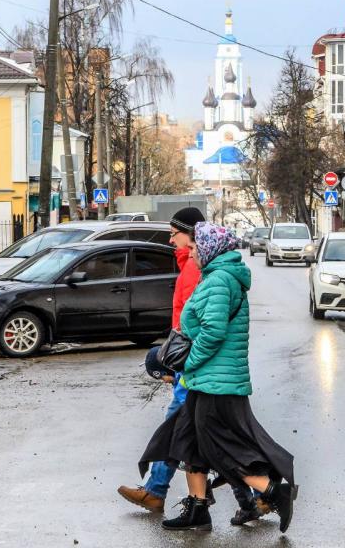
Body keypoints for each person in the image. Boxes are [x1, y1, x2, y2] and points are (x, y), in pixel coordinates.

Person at [140, 222, 297, 533]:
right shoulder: (215, 277)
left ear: (210, 249)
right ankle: (198, 508)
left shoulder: (219, 281)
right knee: (186, 440)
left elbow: (213, 332)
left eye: (197, 248)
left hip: (216, 381)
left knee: (219, 448)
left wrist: (189, 363)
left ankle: (271, 490)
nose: (192, 252)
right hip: (207, 380)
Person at [117, 208, 269, 525]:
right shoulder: (197, 270)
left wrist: (182, 364)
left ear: (194, 237)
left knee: (193, 439)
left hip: (198, 371)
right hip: (197, 369)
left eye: (176, 234)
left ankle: (262, 492)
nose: (172, 240)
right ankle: (228, 502)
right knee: (193, 440)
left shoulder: (203, 276)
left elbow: (203, 329)